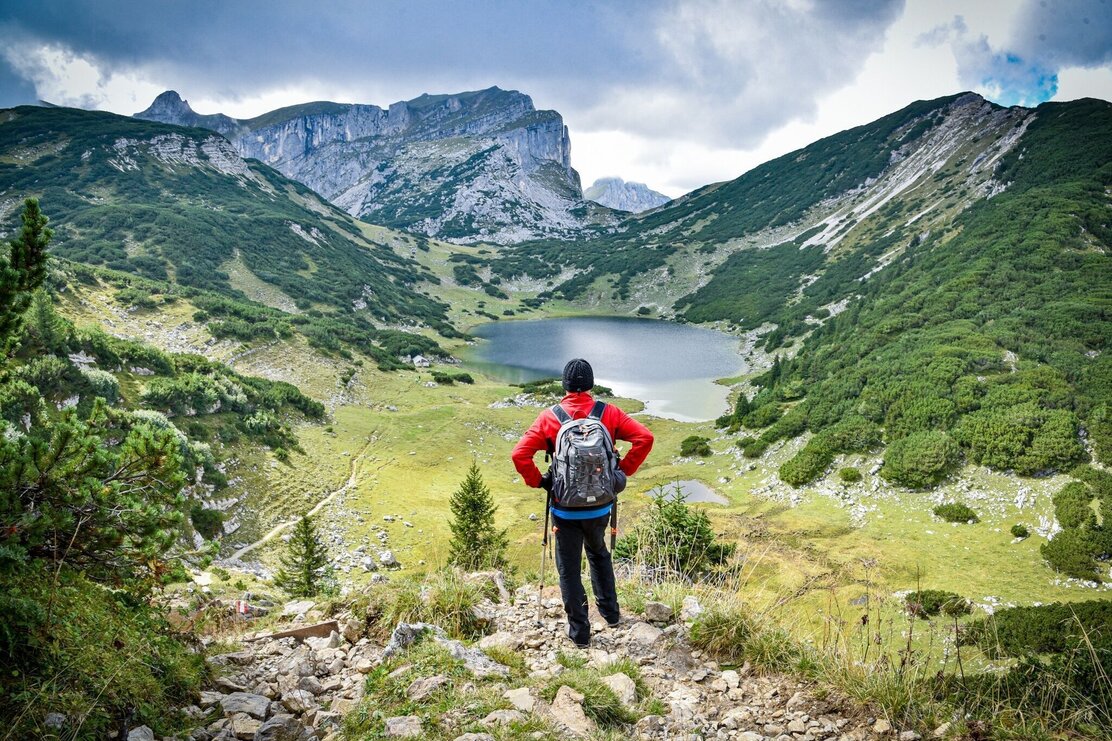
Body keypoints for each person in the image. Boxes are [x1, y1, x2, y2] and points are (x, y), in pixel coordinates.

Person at [511, 358, 654, 647]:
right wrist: (621, 472)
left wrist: (540, 482)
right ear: (590, 384)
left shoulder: (550, 417)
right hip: (601, 504)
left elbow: (519, 455)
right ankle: (611, 615)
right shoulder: (608, 413)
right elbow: (645, 438)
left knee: (569, 568)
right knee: (599, 554)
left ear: (564, 385)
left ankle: (580, 635)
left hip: (565, 508)